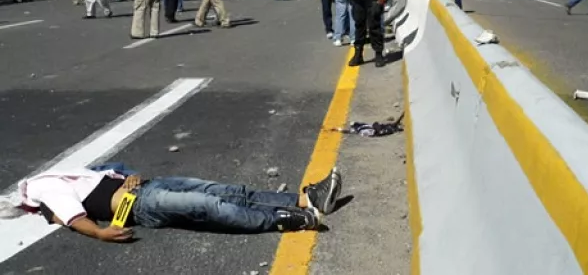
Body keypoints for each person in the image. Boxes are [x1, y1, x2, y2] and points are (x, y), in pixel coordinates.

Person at [0, 166, 342, 240]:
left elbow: (109, 170)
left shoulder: (45, 187)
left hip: (146, 186)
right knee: (212, 206)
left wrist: (128, 173)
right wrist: (102, 233)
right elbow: (73, 219)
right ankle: (285, 218)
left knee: (226, 190)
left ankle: (305, 199)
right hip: (142, 204)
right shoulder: (46, 191)